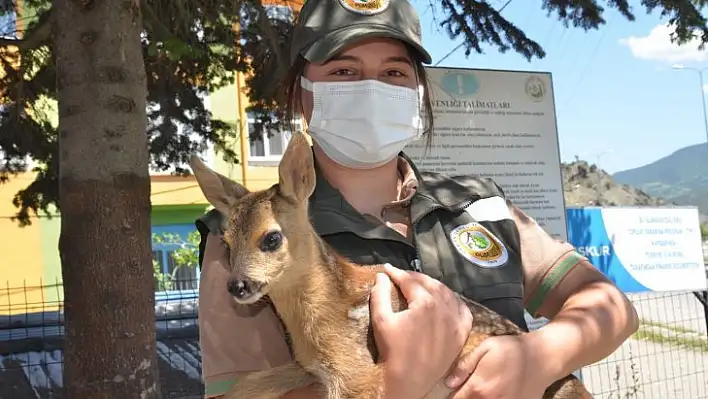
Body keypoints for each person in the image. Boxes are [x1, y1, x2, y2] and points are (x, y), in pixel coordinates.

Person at [194, 0, 639, 397]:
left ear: (417, 89)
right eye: (342, 71)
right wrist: (400, 383)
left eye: (393, 72)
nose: (371, 87)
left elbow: (612, 308)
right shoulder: (243, 237)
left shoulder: (478, 204)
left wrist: (537, 356)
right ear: (302, 91)